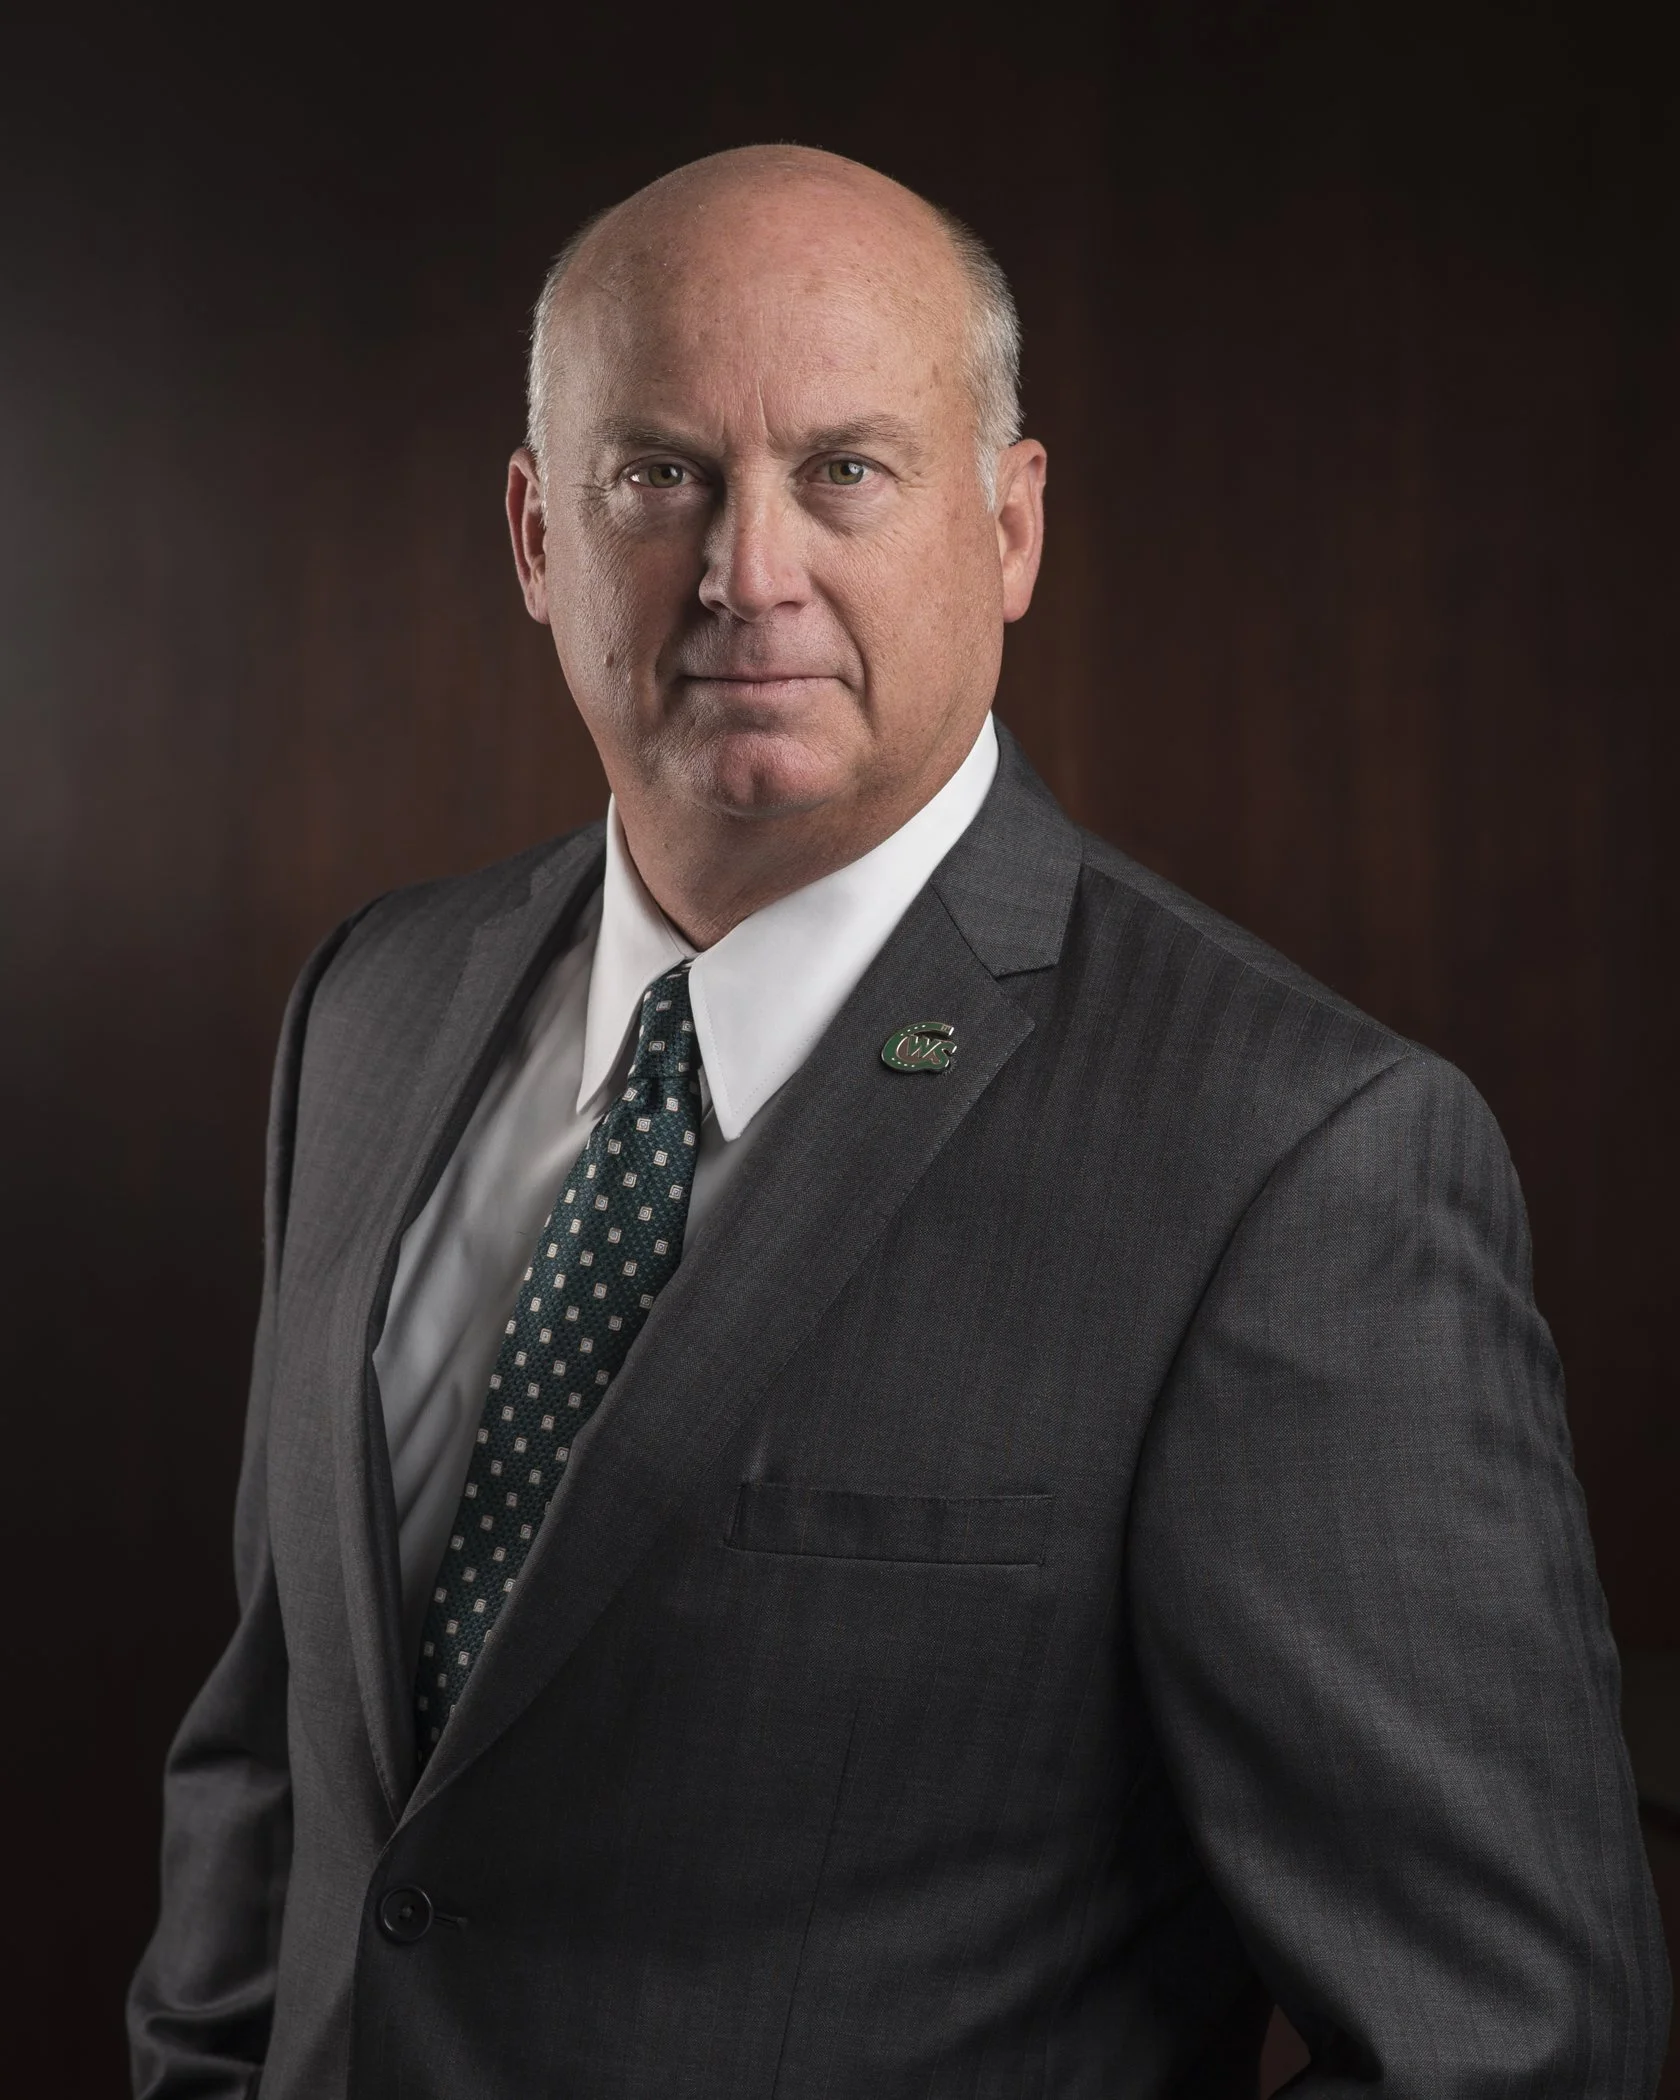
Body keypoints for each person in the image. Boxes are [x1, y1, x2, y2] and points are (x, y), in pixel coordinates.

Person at [129, 145, 1668, 2099]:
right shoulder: (372, 1010)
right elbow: (276, 1756)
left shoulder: (1293, 1160)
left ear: (1012, 528)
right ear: (535, 535)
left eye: (846, 471)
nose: (744, 570)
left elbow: (1513, 2051)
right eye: (657, 473)